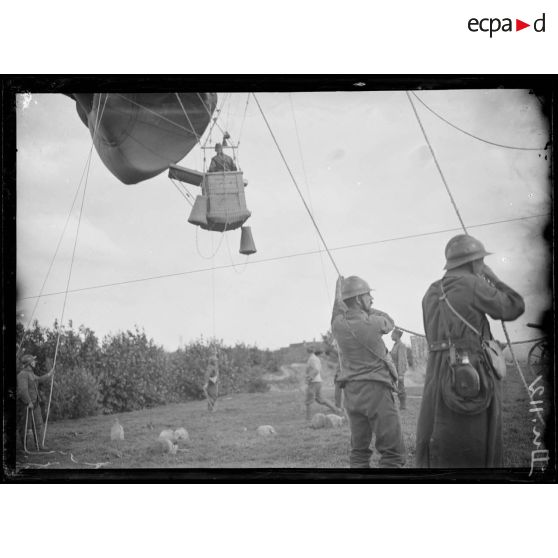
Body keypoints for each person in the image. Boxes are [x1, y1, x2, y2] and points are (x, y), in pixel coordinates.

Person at [416, 234, 525, 468]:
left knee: (439, 431)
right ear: (475, 262)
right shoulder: (474, 283)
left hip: (437, 372)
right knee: (475, 439)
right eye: (481, 261)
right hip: (470, 370)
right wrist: (492, 277)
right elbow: (514, 306)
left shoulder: (430, 292)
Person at [331, 276, 405, 468]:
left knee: (359, 452)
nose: (372, 299)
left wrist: (351, 301)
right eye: (368, 296)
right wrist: (366, 309)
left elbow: (338, 312)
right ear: (357, 299)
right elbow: (390, 321)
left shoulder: (338, 324)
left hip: (352, 394)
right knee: (392, 454)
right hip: (377, 391)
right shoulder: (374, 323)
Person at [17, 353, 53, 450]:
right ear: (29, 363)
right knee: (24, 427)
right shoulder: (22, 374)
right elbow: (22, 390)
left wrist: (49, 374)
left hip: (35, 403)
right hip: (26, 404)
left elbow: (39, 379)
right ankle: (24, 447)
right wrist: (28, 402)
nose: (35, 362)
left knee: (39, 424)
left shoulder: (31, 374)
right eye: (33, 361)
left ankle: (39, 445)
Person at [304, 346, 341, 420]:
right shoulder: (314, 358)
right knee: (320, 399)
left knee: (308, 401)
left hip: (314, 382)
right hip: (317, 381)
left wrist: (310, 378)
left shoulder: (313, 359)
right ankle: (336, 410)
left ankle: (308, 418)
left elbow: (316, 369)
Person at [390, 329, 408, 410]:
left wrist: (400, 374)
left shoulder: (401, 345)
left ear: (397, 335)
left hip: (398, 370)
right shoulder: (395, 345)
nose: (391, 336)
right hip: (393, 370)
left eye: (392, 334)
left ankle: (403, 405)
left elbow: (402, 360)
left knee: (401, 387)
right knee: (391, 387)